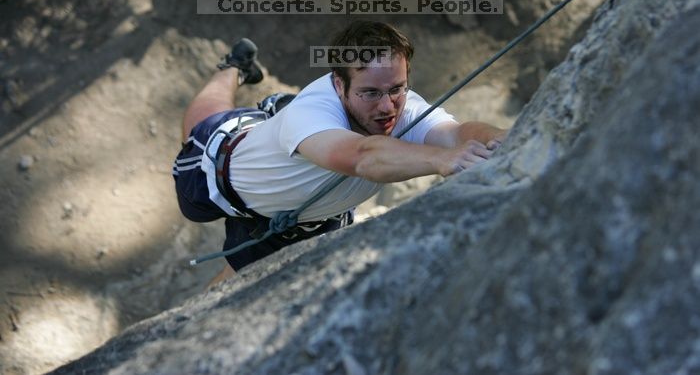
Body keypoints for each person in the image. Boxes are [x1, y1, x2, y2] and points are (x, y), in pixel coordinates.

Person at [173, 21, 507, 284]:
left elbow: (456, 133)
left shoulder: (404, 106)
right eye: (370, 93)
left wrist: (503, 138)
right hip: (220, 165)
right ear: (337, 84)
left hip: (305, 219)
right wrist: (439, 160)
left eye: (397, 89)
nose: (387, 106)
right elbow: (363, 156)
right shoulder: (312, 112)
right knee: (203, 122)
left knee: (240, 282)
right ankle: (234, 66)